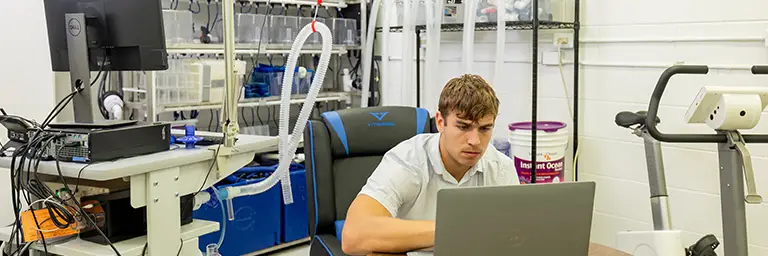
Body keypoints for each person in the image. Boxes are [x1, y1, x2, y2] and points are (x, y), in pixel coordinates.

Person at [341, 74, 520, 255]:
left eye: (484, 129)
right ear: (441, 122)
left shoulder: (501, 168)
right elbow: (354, 235)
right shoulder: (408, 161)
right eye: (463, 127)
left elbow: (518, 236)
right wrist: (455, 231)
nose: (475, 141)